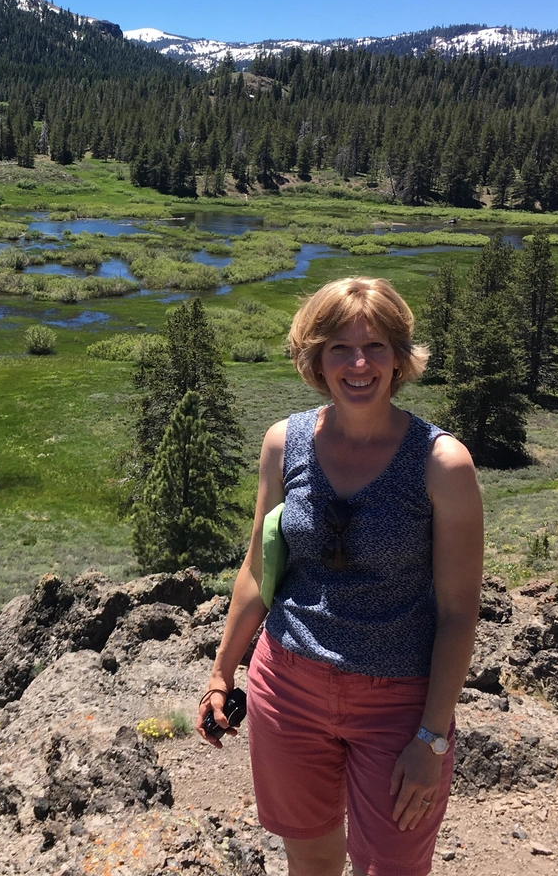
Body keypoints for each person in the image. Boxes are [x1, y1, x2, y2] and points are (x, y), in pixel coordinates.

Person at [197, 276, 483, 876]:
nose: (359, 363)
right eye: (339, 348)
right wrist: (222, 672)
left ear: (401, 357)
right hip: (287, 688)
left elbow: (459, 613)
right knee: (310, 858)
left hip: (399, 701)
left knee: (394, 867)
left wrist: (432, 737)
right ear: (315, 359)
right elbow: (259, 567)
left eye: (375, 346)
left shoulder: (441, 463)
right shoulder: (284, 444)